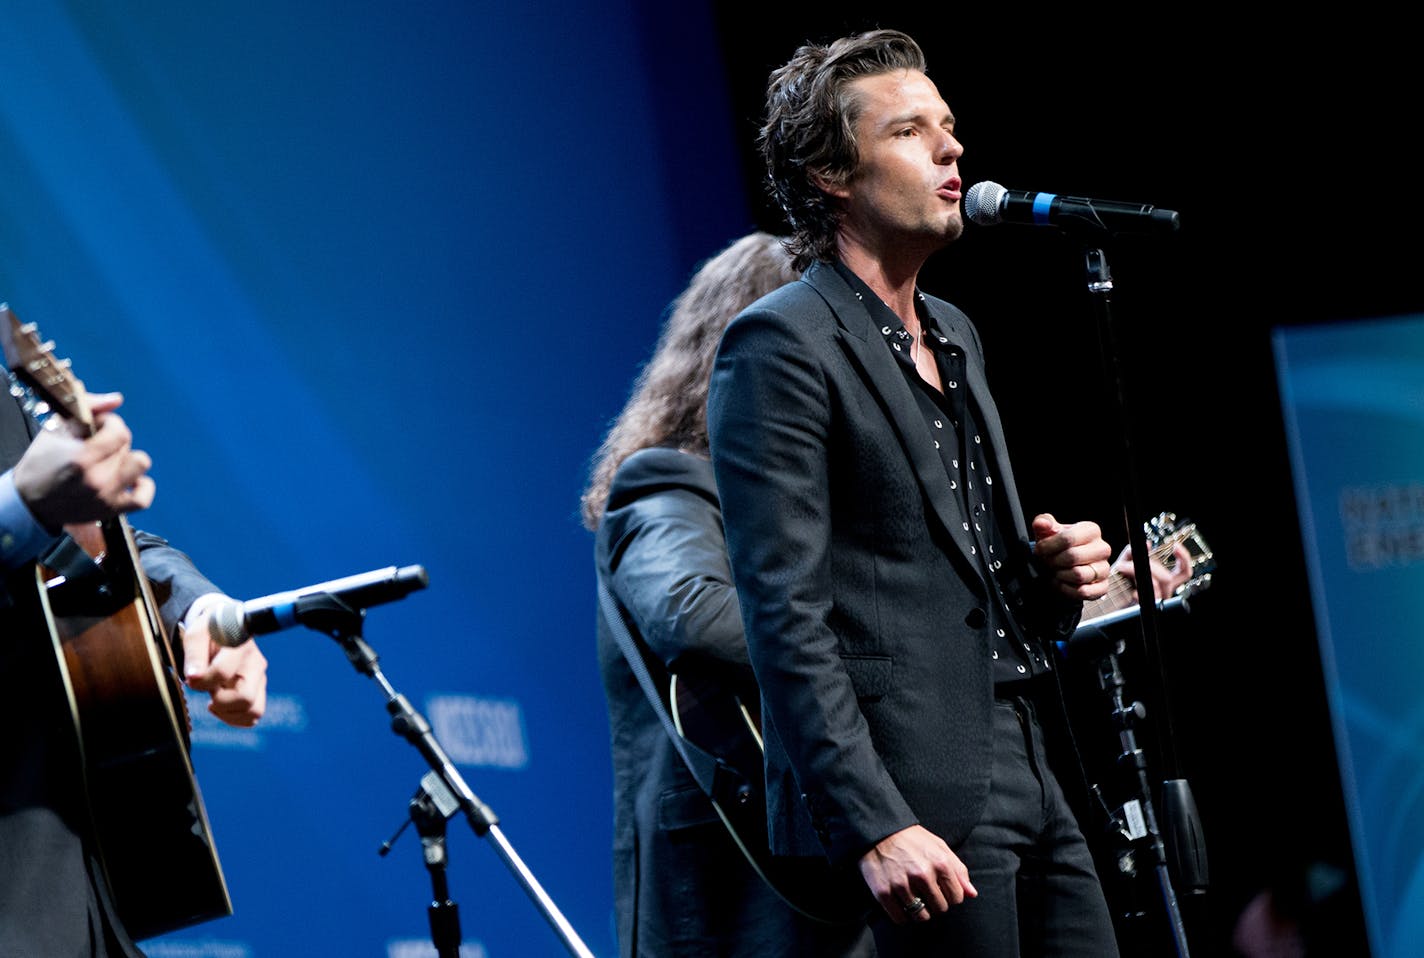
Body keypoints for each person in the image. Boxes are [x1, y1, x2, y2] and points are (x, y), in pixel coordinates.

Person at [706, 29, 1138, 956]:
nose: (952, 150)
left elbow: (965, 579)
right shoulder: (780, 344)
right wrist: (874, 822)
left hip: (1026, 750)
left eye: (949, 127)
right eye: (912, 131)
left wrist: (1053, 577)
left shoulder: (954, 333)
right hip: (913, 792)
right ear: (832, 173)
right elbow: (784, 613)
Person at [584, 231, 877, 957]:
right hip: (736, 888)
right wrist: (883, 639)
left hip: (838, 856)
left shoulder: (827, 512)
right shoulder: (668, 483)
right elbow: (692, 615)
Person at [1, 375, 269, 956]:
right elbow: (27, 506)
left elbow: (82, 539)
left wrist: (203, 610)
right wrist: (21, 504)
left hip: (91, 899)